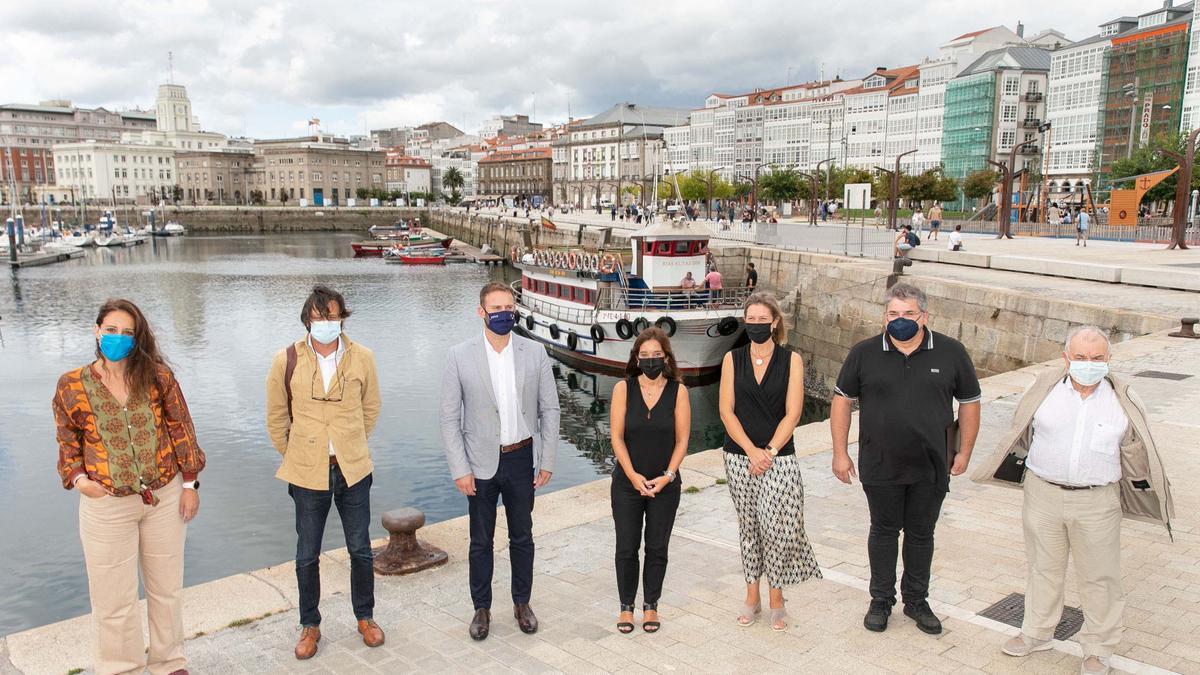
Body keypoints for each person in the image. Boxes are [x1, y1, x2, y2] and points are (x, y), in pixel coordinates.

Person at [973, 326, 1174, 675]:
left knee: (1100, 577)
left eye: (1097, 358)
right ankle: (1036, 633)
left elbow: (1139, 452)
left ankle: (1098, 648)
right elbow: (1021, 430)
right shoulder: (1044, 390)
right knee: (1042, 568)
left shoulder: (1123, 400)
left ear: (1108, 360)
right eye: (1080, 357)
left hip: (1098, 501)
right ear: (1066, 358)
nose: (1088, 364)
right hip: (1043, 493)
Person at [54, 299, 206, 675]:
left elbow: (180, 429)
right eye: (111, 330)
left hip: (164, 496)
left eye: (127, 333)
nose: (118, 338)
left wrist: (190, 483)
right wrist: (80, 481)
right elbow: (67, 442)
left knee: (166, 589)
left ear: (137, 338)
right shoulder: (72, 385)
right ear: (97, 331)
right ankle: (122, 668)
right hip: (106, 504)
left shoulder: (157, 376)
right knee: (112, 598)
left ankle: (169, 663)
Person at [830, 283, 981, 636]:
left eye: (908, 314)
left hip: (932, 465)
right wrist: (840, 452)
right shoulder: (863, 353)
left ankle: (916, 600)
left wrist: (965, 451)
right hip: (880, 463)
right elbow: (842, 402)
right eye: (893, 314)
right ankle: (881, 600)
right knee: (883, 532)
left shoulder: (951, 352)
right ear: (885, 316)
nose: (900, 320)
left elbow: (971, 403)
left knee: (920, 534)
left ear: (924, 316)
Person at [265, 285, 384, 660]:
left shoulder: (362, 357)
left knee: (361, 549)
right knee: (306, 554)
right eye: (319, 317)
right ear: (307, 321)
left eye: (332, 316)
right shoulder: (285, 360)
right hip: (306, 472)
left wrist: (349, 443)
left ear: (342, 318)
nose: (326, 323)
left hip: (352, 469)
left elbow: (371, 408)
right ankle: (310, 624)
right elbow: (276, 416)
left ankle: (365, 617)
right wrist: (297, 452)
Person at [441, 282, 560, 641]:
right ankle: (481, 608)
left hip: (521, 457)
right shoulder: (459, 356)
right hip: (479, 464)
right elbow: (449, 418)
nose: (504, 314)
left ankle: (522, 603)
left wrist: (548, 459)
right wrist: (460, 469)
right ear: (481, 312)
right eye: (496, 308)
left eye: (509, 307)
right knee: (481, 541)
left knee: (523, 536)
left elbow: (549, 408)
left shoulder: (534, 352)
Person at [720, 293, 821, 631]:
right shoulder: (732, 359)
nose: (757, 326)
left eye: (763, 320)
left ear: (775, 322)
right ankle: (752, 596)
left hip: (779, 456)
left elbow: (793, 412)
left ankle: (777, 597)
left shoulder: (791, 360)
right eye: (751, 320)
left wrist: (770, 452)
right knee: (749, 529)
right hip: (739, 457)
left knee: (777, 527)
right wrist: (751, 450)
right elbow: (726, 411)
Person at [609, 328, 690, 634]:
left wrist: (668, 476)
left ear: (666, 357)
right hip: (627, 484)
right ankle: (626, 607)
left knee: (657, 547)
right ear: (636, 358)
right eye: (645, 356)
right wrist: (632, 475)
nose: (651, 360)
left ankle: (651, 605)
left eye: (657, 355)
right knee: (626, 547)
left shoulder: (678, 391)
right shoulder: (622, 389)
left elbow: (682, 440)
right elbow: (616, 437)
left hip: (665, 485)